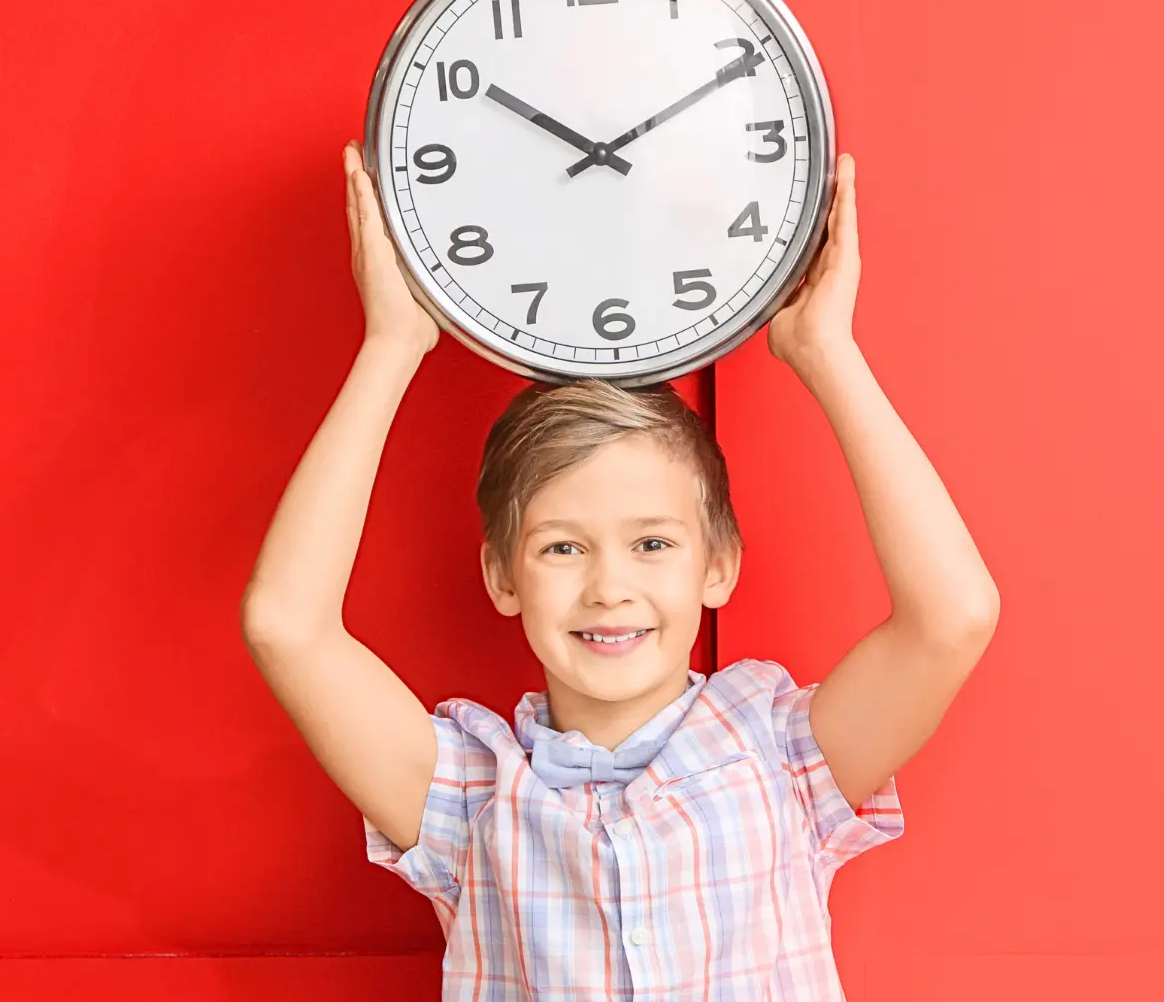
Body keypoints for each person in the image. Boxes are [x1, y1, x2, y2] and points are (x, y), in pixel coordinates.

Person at [240, 141, 1000, 1000]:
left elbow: (954, 617)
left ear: (719, 565)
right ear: (502, 576)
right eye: (562, 546)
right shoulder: (465, 793)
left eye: (652, 544)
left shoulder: (782, 756)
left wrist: (826, 352)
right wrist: (392, 345)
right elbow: (286, 624)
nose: (609, 586)